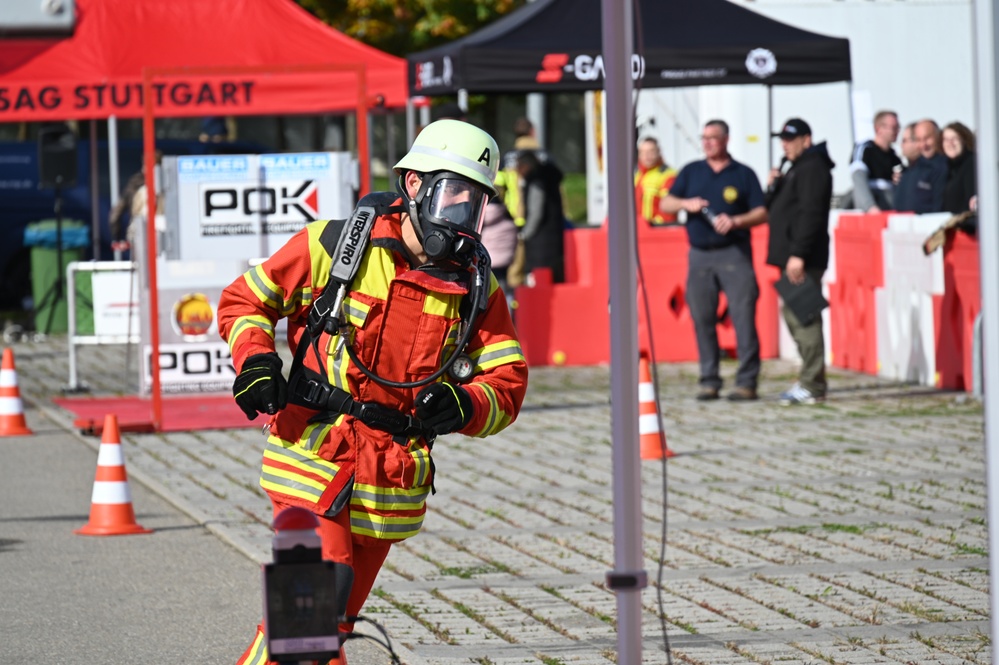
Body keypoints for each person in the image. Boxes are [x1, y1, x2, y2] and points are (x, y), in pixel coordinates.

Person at [218, 119, 528, 665]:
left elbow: (508, 382)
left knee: (323, 629)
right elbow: (245, 301)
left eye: (475, 201)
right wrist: (257, 362)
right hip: (314, 454)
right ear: (414, 186)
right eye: (454, 193)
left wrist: (465, 405)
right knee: (311, 614)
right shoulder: (336, 246)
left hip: (388, 478)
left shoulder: (477, 287)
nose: (462, 212)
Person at [660, 119, 768, 402]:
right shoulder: (692, 171)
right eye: (704, 138)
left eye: (713, 137)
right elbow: (665, 204)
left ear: (726, 140)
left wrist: (736, 220)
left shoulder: (742, 173)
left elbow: (761, 212)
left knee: (743, 317)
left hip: (734, 253)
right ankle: (709, 380)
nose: (707, 142)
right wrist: (686, 204)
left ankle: (747, 382)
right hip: (699, 256)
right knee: (702, 318)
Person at [765, 118, 834, 405]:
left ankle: (812, 384)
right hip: (795, 256)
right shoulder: (797, 168)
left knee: (804, 319)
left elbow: (811, 214)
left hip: (803, 257)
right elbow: (775, 209)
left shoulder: (812, 168)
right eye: (782, 139)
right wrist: (773, 186)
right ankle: (810, 380)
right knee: (795, 316)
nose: (784, 144)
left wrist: (799, 254)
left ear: (807, 140)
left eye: (790, 139)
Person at [494, 117, 549, 289]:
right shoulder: (544, 156)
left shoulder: (506, 158)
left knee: (513, 270)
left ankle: (515, 307)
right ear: (532, 132)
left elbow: (498, 189)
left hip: (512, 217)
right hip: (541, 221)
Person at [516, 149, 566, 284]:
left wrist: (524, 234)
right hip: (553, 240)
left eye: (518, 166)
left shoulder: (536, 181)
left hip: (539, 244)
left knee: (538, 283)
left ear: (526, 166)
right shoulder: (550, 179)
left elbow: (535, 212)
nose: (517, 171)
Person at [848, 110, 902, 212]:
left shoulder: (894, 157)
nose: (896, 131)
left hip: (890, 213)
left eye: (898, 127)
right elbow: (858, 178)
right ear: (878, 129)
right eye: (893, 127)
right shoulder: (864, 149)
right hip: (870, 214)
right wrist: (870, 207)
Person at [895, 119, 947, 213]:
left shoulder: (943, 167)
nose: (924, 144)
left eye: (927, 138)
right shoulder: (909, 171)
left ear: (938, 137)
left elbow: (939, 207)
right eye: (919, 139)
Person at [479, 194, 519, 301]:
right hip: (506, 262)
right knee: (503, 291)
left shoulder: (482, 219)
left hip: (489, 261)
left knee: (489, 292)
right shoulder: (508, 219)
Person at [634, 137, 678, 225]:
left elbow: (668, 210)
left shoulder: (668, 175)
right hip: (638, 229)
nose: (647, 156)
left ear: (658, 152)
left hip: (657, 230)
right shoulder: (637, 175)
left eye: (651, 151)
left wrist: (657, 227)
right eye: (643, 152)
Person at [940, 121, 978, 219]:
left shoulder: (971, 163)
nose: (950, 143)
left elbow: (971, 201)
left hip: (963, 225)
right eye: (946, 139)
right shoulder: (945, 166)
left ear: (964, 140)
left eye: (954, 139)